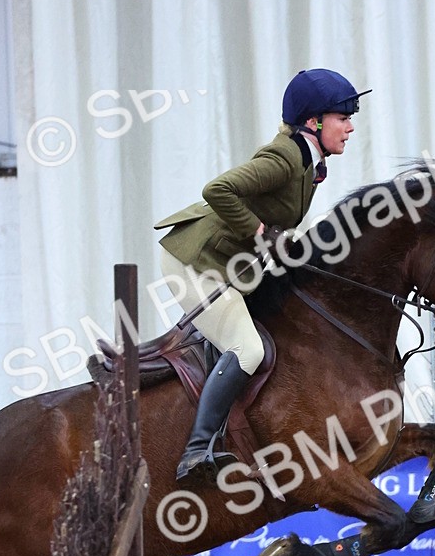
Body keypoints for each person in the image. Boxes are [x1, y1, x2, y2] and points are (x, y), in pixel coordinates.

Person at [155, 68, 370, 479]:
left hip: (227, 263)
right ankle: (196, 452)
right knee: (248, 350)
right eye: (342, 118)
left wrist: (283, 243)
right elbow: (218, 190)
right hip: (194, 262)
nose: (350, 127)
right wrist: (261, 233)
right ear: (313, 122)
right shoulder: (285, 157)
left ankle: (231, 437)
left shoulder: (310, 161)